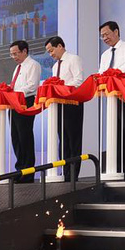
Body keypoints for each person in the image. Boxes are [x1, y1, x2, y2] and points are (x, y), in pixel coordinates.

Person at [99, 22, 125, 181]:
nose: (104, 38)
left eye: (107, 34)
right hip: (111, 94)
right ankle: (118, 165)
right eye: (102, 36)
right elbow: (101, 72)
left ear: (116, 31)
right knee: (115, 130)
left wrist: (113, 73)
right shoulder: (105, 55)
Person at [45, 36, 84, 181]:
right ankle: (65, 172)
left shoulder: (74, 59)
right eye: (48, 52)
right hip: (59, 105)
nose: (51, 54)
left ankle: (74, 175)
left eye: (51, 50)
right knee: (63, 140)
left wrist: (60, 88)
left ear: (60, 46)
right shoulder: (55, 66)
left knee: (73, 139)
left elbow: (78, 80)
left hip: (72, 102)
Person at [8, 40, 41, 183]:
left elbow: (32, 86)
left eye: (16, 53)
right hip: (14, 102)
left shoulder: (33, 65)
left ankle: (28, 172)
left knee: (25, 136)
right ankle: (19, 169)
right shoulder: (18, 67)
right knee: (15, 136)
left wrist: (15, 93)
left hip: (25, 101)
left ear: (24, 51)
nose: (13, 57)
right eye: (11, 54)